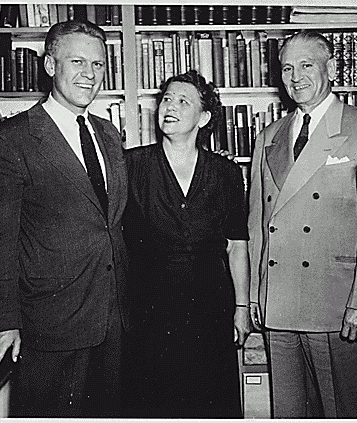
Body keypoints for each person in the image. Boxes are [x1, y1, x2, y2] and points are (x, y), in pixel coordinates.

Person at [0, 20, 129, 417]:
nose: (89, 74)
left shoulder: (109, 134)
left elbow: (110, 224)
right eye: (77, 61)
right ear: (49, 65)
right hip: (50, 322)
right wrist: (4, 321)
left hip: (113, 318)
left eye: (98, 64)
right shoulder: (13, 139)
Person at [247, 30, 357, 418]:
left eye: (306, 65)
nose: (295, 77)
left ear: (331, 68)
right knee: (289, 413)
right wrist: (254, 295)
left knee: (339, 412)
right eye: (286, 68)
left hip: (335, 305)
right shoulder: (269, 137)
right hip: (278, 304)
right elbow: (257, 224)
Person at [123, 70, 253, 418]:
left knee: (208, 402)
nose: (171, 106)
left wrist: (241, 307)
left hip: (210, 309)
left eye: (184, 101)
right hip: (147, 310)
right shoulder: (131, 165)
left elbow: (237, 244)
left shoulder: (225, 172)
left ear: (204, 117)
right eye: (167, 98)